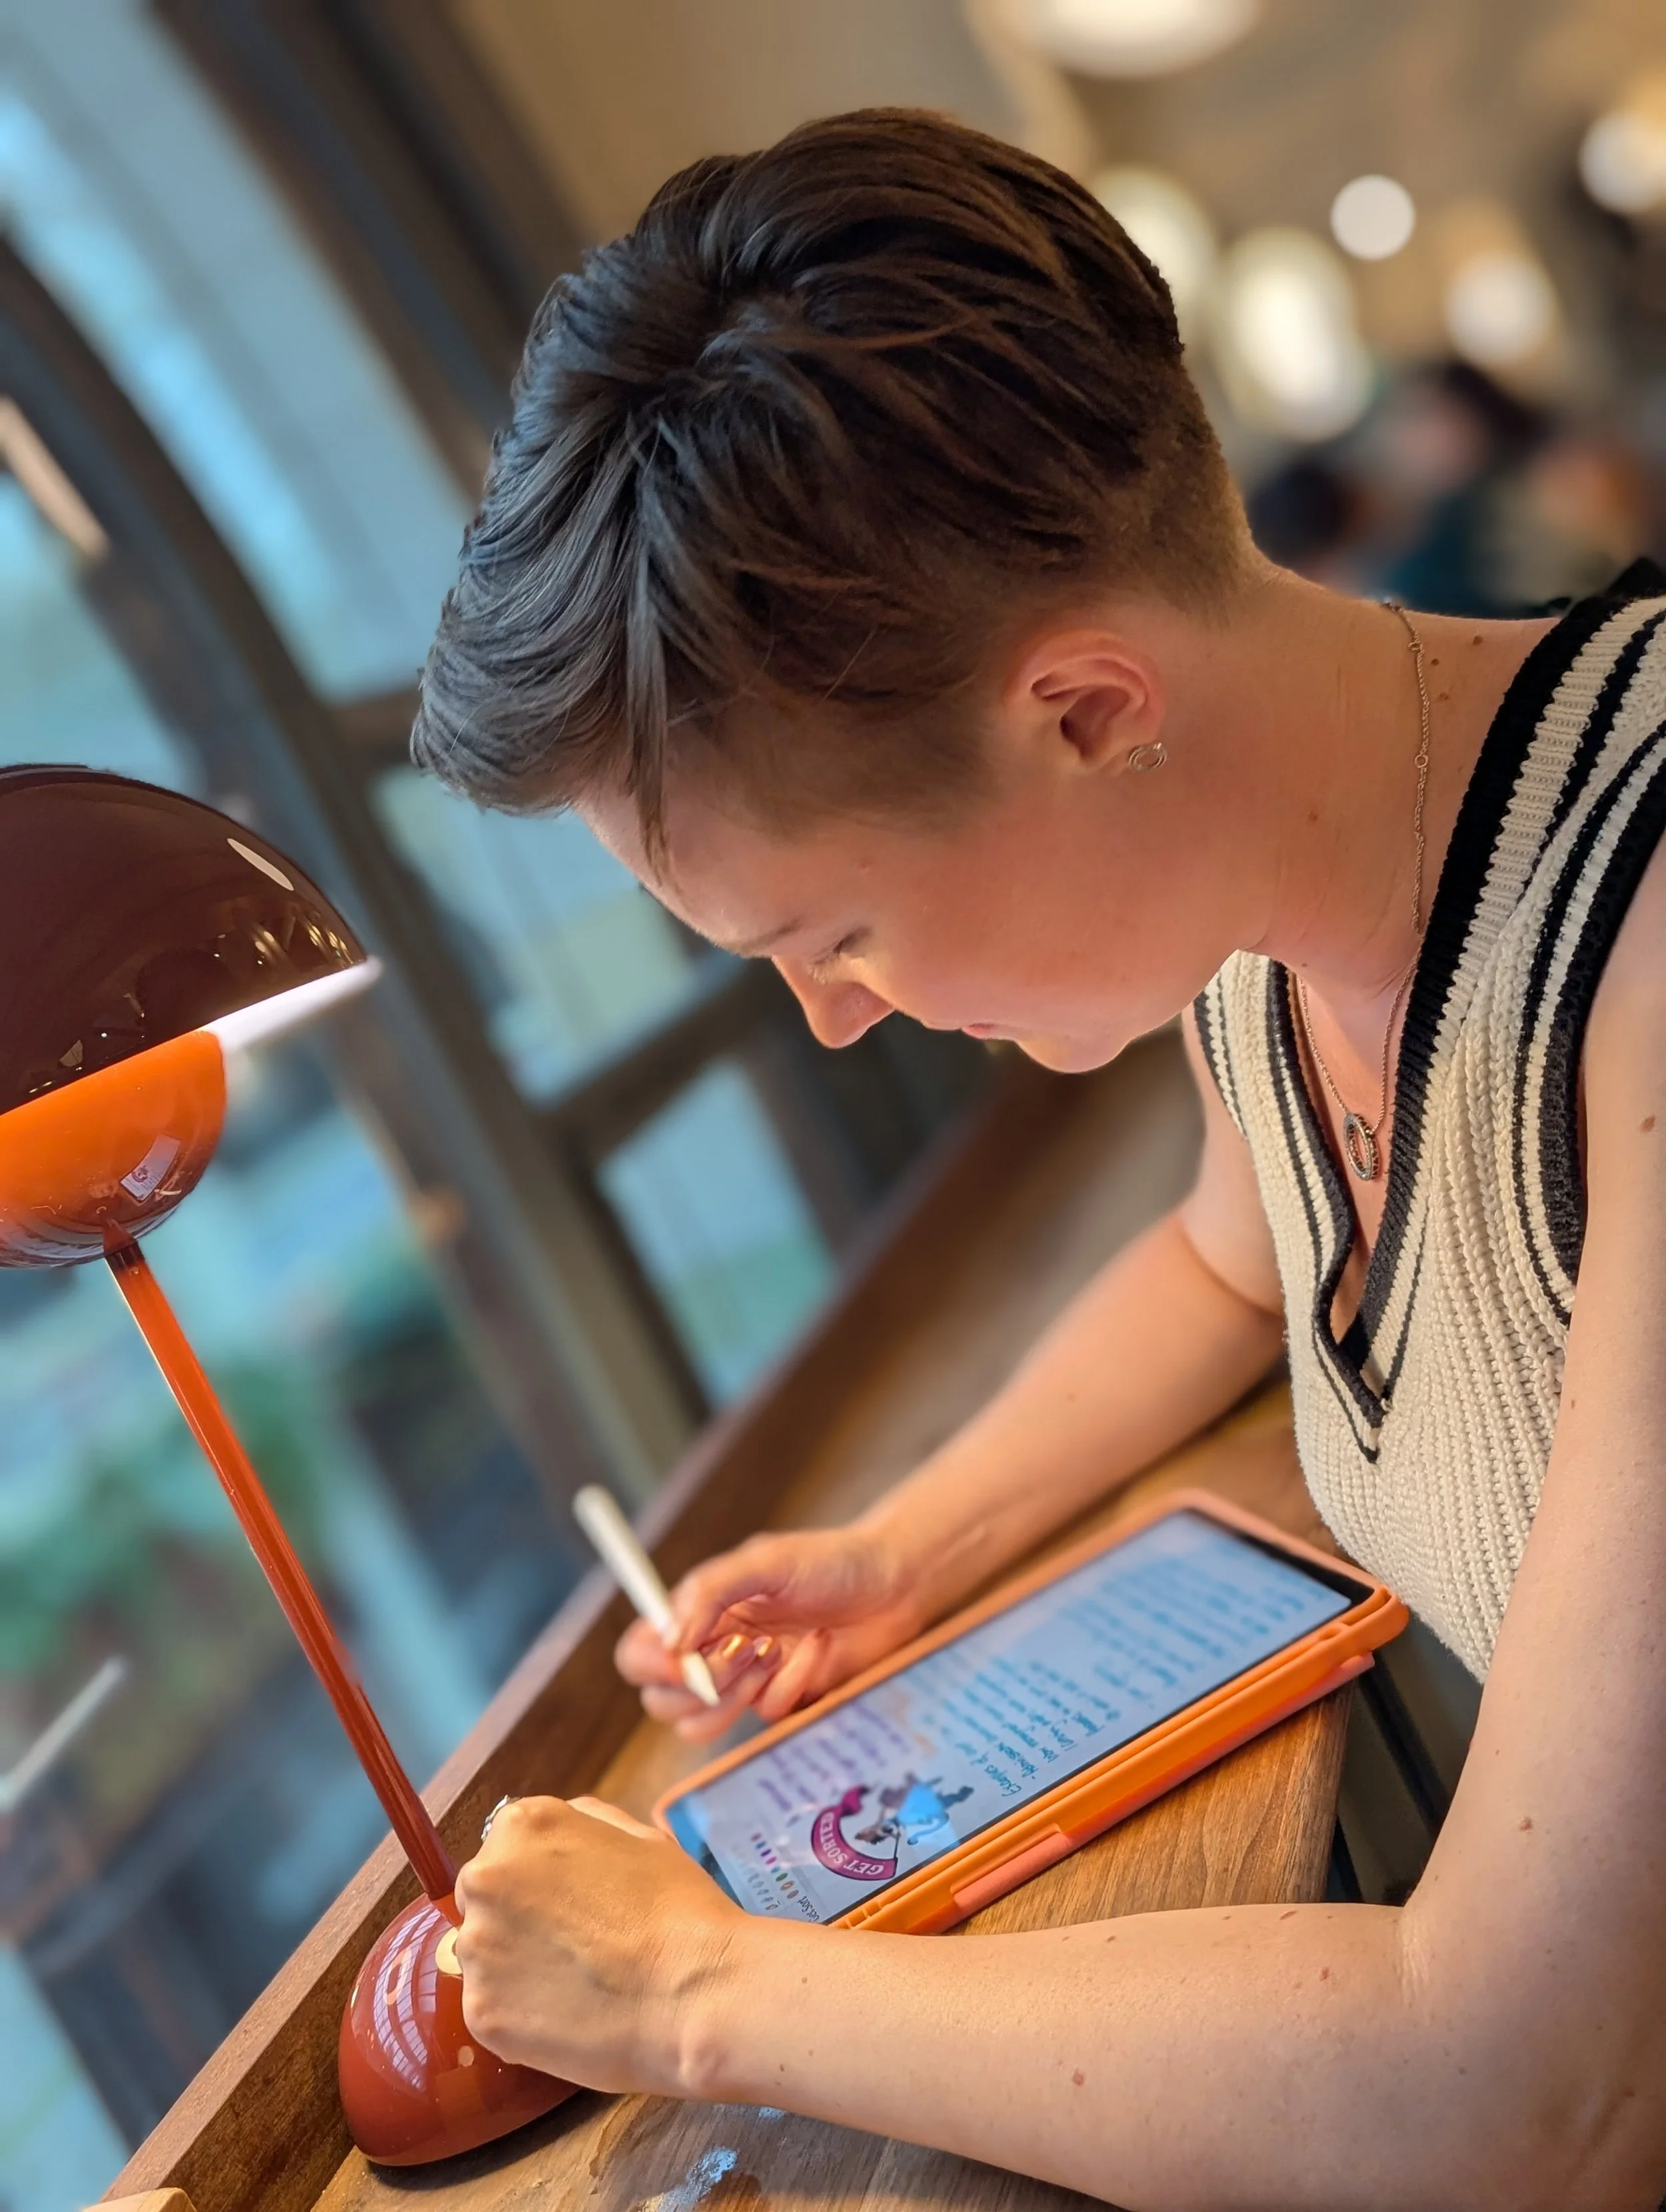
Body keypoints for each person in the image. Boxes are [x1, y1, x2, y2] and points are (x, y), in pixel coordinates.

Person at [414, 110, 1666, 2207]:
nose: (829, 1014)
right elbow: (1229, 1264)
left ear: (1086, 711)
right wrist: (901, 1551)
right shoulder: (1271, 940)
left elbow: (1528, 2097)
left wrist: (698, 1995)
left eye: (834, 933)